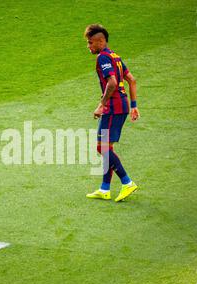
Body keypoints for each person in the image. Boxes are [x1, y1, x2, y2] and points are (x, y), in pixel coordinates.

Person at [84, 24, 140, 202]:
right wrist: (134, 105)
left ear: (101, 42)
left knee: (101, 148)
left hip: (113, 108)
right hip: (121, 105)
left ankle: (127, 182)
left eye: (90, 42)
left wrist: (102, 104)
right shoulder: (115, 56)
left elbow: (113, 83)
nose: (89, 46)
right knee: (107, 148)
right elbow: (131, 80)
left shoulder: (103, 57)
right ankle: (105, 189)